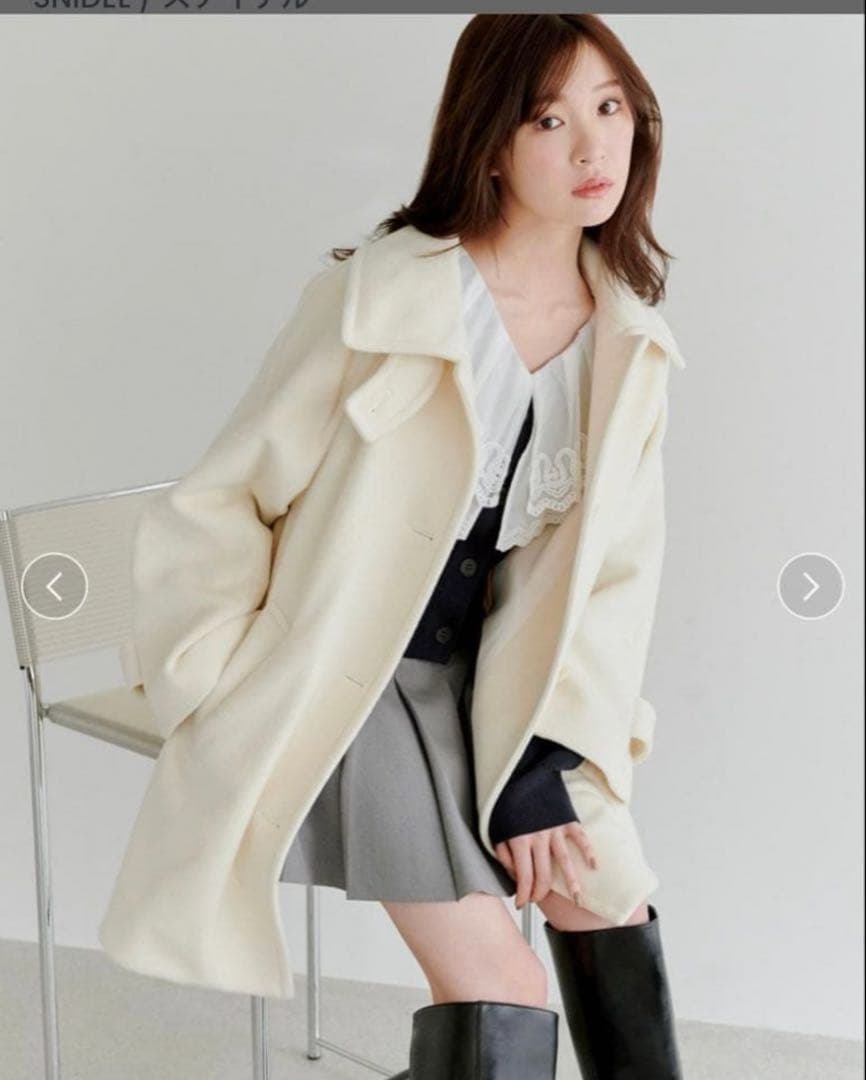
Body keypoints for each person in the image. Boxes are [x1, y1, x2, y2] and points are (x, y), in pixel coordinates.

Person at [275, 13, 685, 1080]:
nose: (593, 146)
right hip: (354, 676)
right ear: (489, 140)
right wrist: (204, 663)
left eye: (609, 108)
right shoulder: (383, 294)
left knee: (604, 893)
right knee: (505, 989)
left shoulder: (626, 342)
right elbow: (237, 496)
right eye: (549, 119)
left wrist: (541, 762)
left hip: (504, 684)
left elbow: (612, 586)